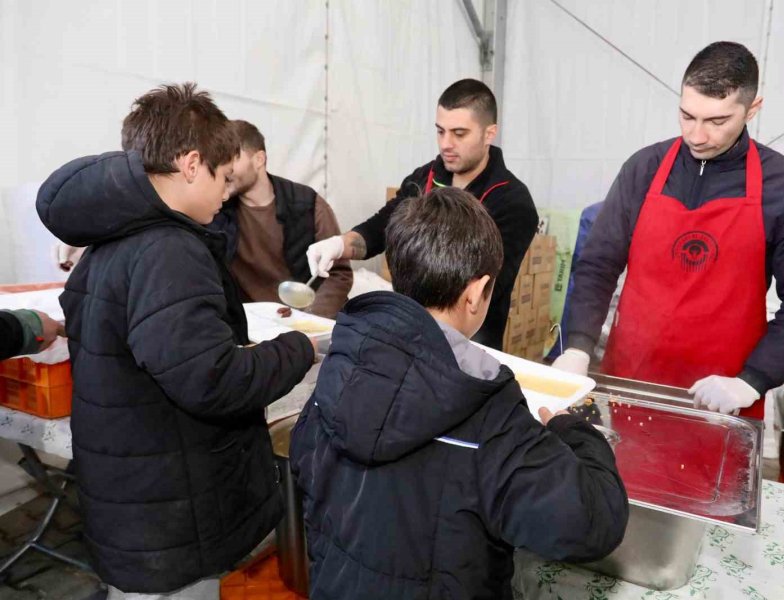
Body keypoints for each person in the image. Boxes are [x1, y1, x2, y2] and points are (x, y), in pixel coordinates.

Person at [36, 83, 317, 598]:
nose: (227, 192)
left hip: (135, 494)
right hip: (169, 510)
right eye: (223, 178)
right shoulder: (168, 250)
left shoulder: (113, 236)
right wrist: (300, 348)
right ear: (191, 165)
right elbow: (211, 382)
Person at [290, 187, 628, 600]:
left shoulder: (340, 363)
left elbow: (305, 467)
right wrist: (574, 431)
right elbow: (593, 523)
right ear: (475, 292)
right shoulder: (488, 409)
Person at [553, 41, 784, 418]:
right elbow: (598, 265)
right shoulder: (644, 169)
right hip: (630, 384)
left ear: (752, 109)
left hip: (723, 399)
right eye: (687, 116)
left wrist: (752, 380)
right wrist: (577, 347)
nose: (697, 135)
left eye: (717, 121)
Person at [306, 78, 538, 349]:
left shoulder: (512, 202)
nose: (446, 144)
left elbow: (488, 284)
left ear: (489, 133)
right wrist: (339, 244)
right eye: (440, 131)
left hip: (470, 343)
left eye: (459, 133)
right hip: (408, 331)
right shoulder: (425, 178)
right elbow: (385, 223)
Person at [211, 120, 352, 318]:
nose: (224, 168)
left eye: (231, 158)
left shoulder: (307, 204)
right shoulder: (214, 210)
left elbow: (338, 273)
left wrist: (310, 319)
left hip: (304, 320)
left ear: (259, 159)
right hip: (247, 325)